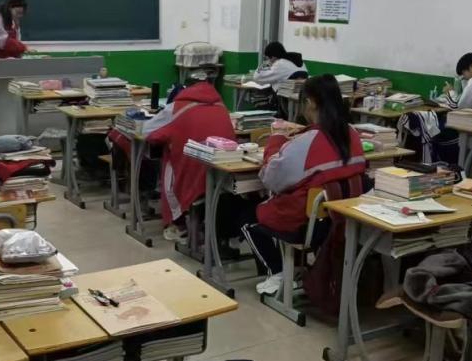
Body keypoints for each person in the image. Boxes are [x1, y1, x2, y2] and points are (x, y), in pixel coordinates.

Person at [243, 75, 367, 294]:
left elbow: (271, 178)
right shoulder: (353, 134)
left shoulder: (308, 142)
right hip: (341, 220)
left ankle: (278, 272)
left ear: (310, 102)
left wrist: (276, 140)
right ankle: (298, 267)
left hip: (309, 225)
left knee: (247, 216)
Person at [141, 80, 236, 242]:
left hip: (191, 169)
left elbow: (147, 131)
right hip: (222, 169)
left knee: (168, 162)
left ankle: (178, 225)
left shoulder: (176, 107)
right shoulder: (221, 106)